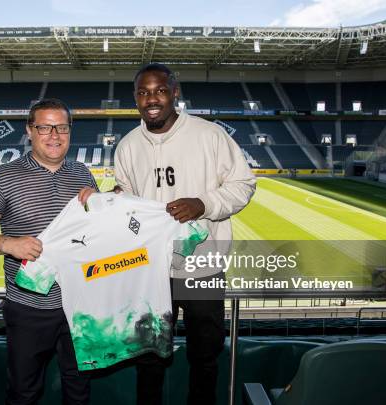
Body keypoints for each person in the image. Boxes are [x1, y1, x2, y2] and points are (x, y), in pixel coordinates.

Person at [114, 63, 256, 404]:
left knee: (204, 356)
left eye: (160, 90)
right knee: (148, 358)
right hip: (149, 269)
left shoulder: (209, 135)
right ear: (135, 98)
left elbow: (244, 184)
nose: (152, 99)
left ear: (174, 92)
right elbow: (127, 203)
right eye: (143, 92)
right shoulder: (128, 146)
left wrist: (203, 204)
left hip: (202, 266)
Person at [0, 98, 97, 405]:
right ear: (30, 131)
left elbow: (96, 233)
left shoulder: (83, 174)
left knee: (79, 390)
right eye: (45, 127)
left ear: (70, 131)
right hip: (28, 308)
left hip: (79, 305)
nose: (54, 135)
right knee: (24, 392)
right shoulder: (4, 177)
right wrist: (8, 244)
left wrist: (106, 204)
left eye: (61, 127)